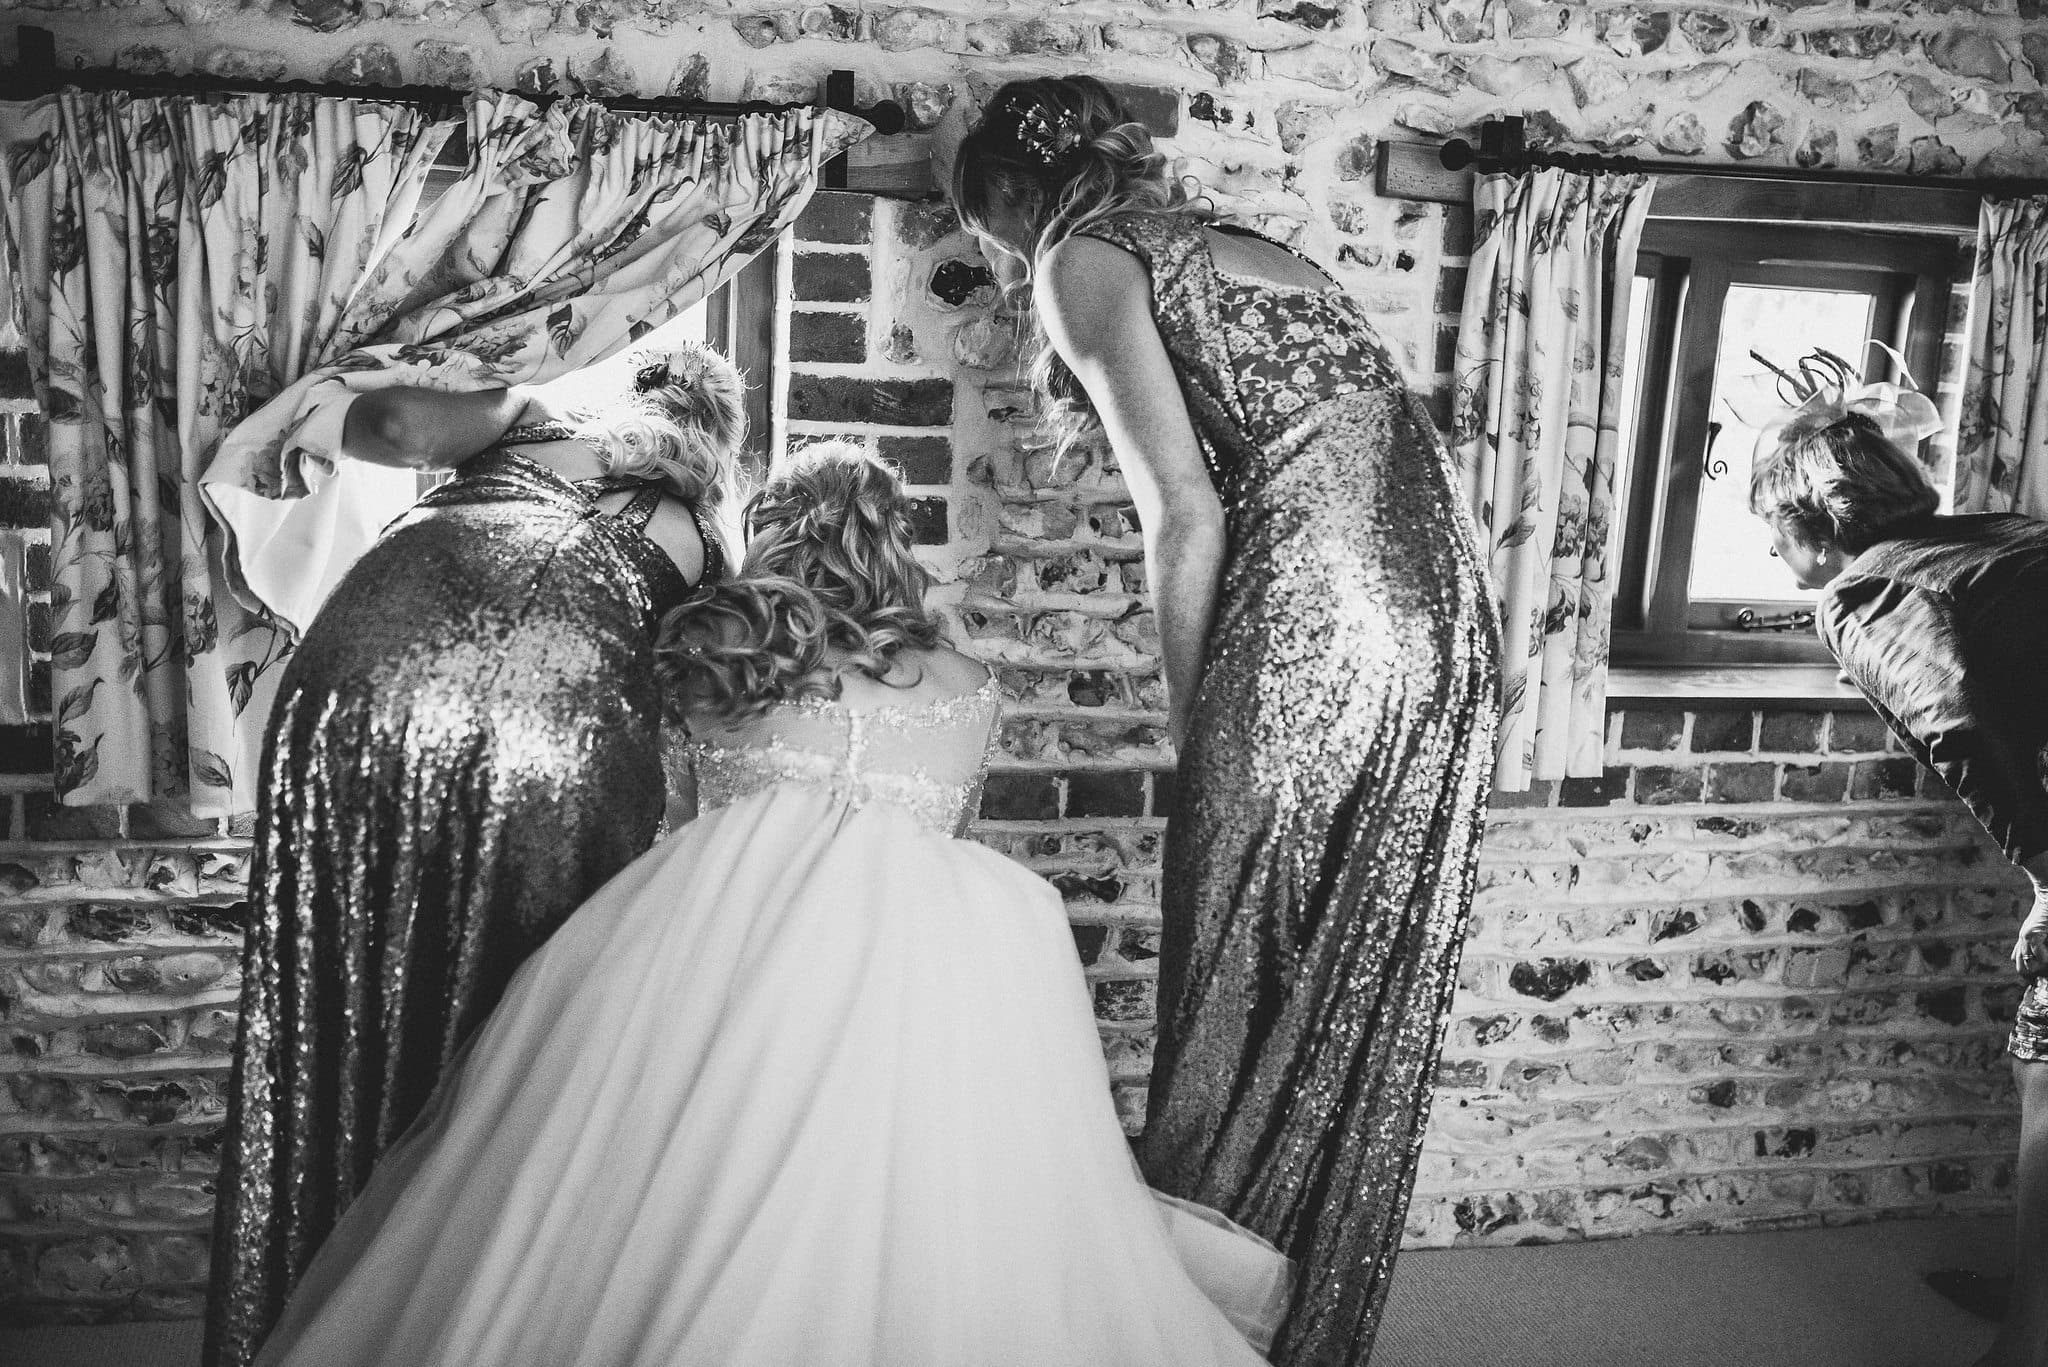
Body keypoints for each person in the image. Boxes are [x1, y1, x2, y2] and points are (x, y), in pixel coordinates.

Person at [240, 443, 1293, 1367]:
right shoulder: (968, 683)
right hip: (923, 965)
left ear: (771, 535)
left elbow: (677, 819)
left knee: (640, 1180)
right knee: (936, 1183)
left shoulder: (722, 660)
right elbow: (948, 834)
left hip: (719, 947)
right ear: (890, 539)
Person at [951, 76, 1501, 1367]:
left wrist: (1201, 717)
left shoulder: (1084, 257)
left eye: (984, 224)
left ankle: (1197, 1311)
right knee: (1354, 953)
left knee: (1239, 938)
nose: (992, 251)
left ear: (1020, 196)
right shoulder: (1265, 250)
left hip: (1316, 606)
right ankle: (1290, 1292)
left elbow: (1184, 510)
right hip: (1440, 608)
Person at [205, 341, 745, 1367]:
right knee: (521, 1018)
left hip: (367, 669)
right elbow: (706, 723)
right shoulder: (706, 541)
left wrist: (318, 384)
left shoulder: (530, 408)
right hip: (563, 724)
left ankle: (306, 1291)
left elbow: (399, 430)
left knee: (341, 988)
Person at [1750, 406, 2048, 1367]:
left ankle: (2027, 1343)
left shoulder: (1867, 589)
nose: (1767, 548)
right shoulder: (1992, 536)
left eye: (1771, 524)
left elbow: (1956, 729)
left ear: (1816, 521)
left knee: (2047, 1075)